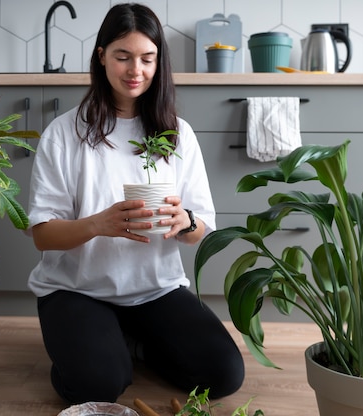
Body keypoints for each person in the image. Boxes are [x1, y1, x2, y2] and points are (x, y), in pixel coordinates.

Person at [26, 3, 245, 405]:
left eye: (147, 58)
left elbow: (202, 231)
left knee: (225, 373)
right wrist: (98, 224)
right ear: (101, 56)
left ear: (159, 61)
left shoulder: (178, 134)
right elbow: (42, 235)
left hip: (154, 289)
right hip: (77, 290)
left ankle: (131, 343)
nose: (135, 70)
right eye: (123, 57)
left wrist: (185, 220)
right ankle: (95, 348)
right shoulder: (64, 132)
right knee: (99, 386)